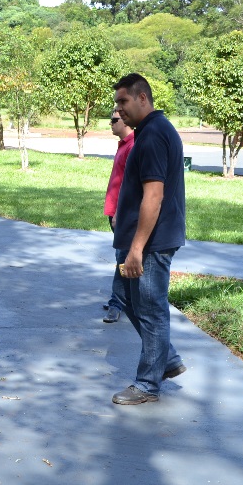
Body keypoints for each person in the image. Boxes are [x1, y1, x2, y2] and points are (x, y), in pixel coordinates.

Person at [109, 73, 187, 405]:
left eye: (124, 101)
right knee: (131, 301)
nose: (118, 109)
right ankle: (165, 359)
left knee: (152, 309)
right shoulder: (150, 131)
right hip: (143, 239)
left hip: (151, 243)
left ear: (143, 98)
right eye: (117, 102)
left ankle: (147, 384)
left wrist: (137, 248)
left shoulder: (154, 135)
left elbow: (153, 197)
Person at [102, 108, 134, 324]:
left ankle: (116, 304)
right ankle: (124, 299)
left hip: (121, 214)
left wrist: (120, 213)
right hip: (115, 212)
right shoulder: (123, 144)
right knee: (121, 257)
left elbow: (130, 186)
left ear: (125, 121)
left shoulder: (133, 146)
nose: (110, 123)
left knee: (123, 258)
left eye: (114, 120)